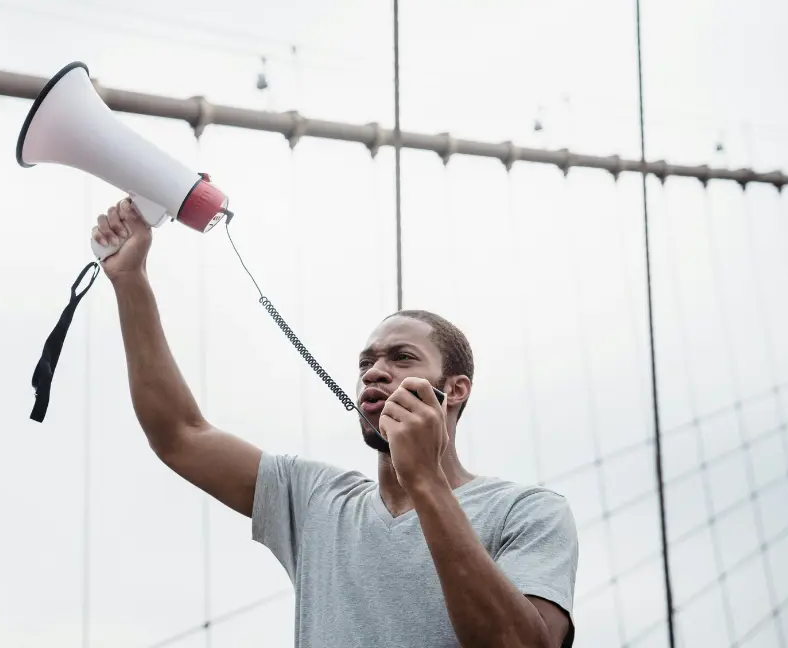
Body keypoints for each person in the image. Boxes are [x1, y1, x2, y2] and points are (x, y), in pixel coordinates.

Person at [92, 197, 580, 648]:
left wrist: (426, 481)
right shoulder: (317, 501)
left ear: (455, 390)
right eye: (367, 362)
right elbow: (179, 434)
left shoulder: (528, 513)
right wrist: (129, 279)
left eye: (402, 358)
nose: (375, 371)